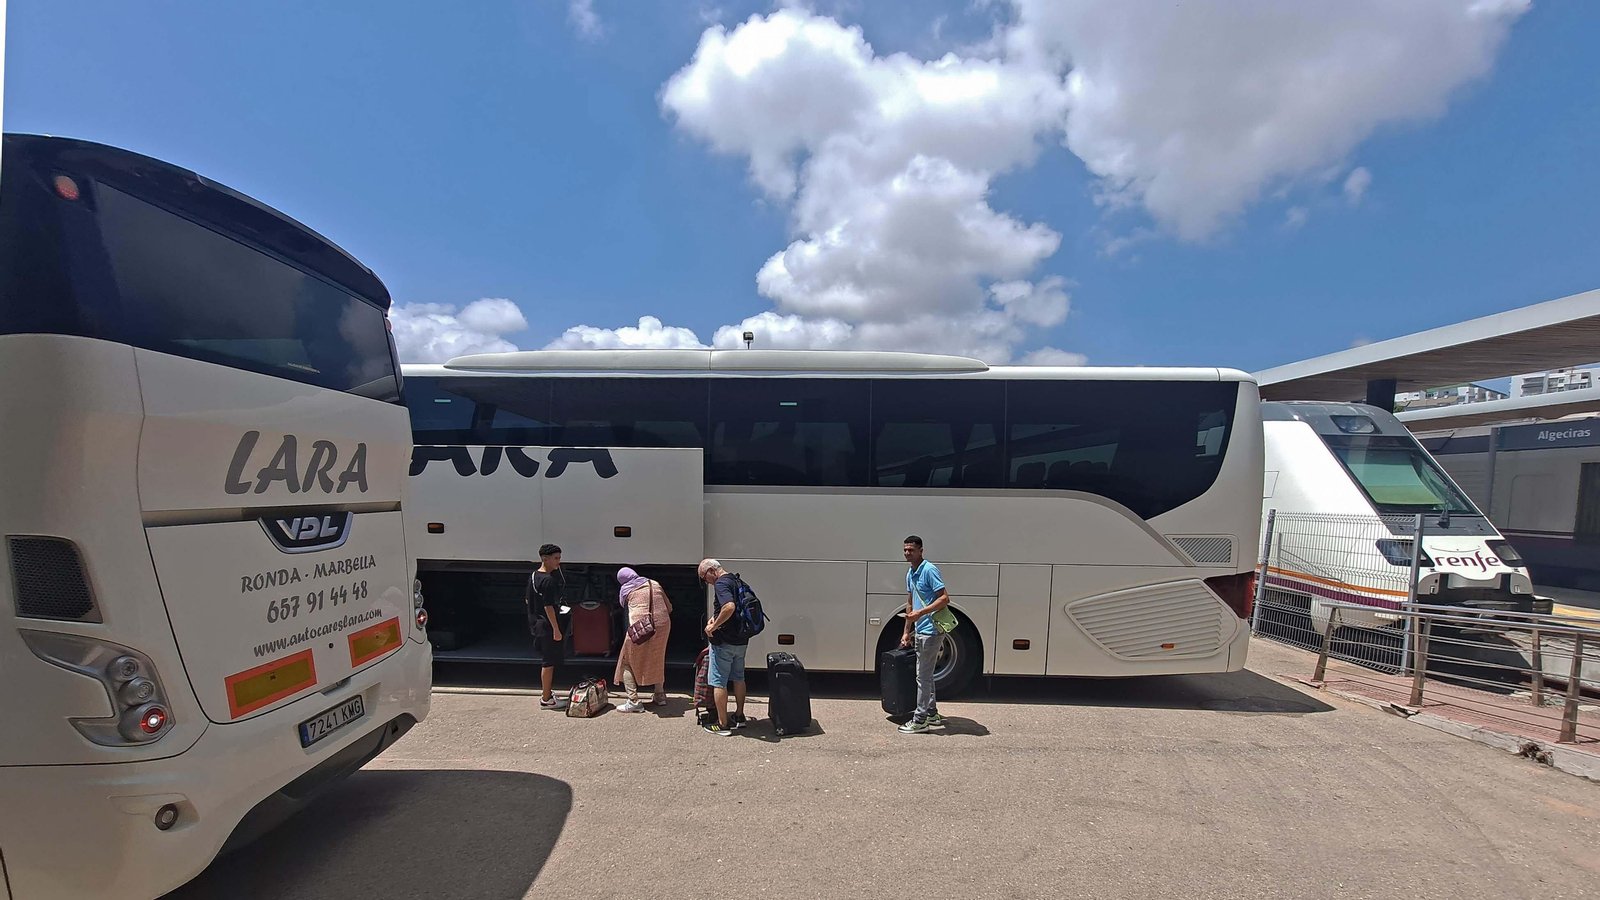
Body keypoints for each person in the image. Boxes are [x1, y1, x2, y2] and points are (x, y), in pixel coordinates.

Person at [899, 535, 951, 734]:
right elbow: (910, 604)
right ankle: (932, 713)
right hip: (920, 630)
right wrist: (906, 632)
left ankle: (920, 719)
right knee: (926, 676)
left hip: (931, 630)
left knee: (923, 677)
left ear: (921, 550)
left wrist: (922, 613)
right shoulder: (910, 572)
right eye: (905, 550)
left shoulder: (929, 570)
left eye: (911, 550)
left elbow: (944, 598)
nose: (907, 553)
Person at [697, 558, 751, 736]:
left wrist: (713, 626)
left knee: (718, 681)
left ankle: (722, 724)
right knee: (738, 677)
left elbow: (729, 606)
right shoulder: (736, 580)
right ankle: (739, 716)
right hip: (741, 639)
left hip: (724, 641)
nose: (706, 582)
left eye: (704, 577)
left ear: (712, 570)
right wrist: (716, 616)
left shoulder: (721, 583)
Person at [614, 567, 672, 713]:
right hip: (662, 624)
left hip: (641, 627)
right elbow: (669, 607)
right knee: (657, 658)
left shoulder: (626, 589)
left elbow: (623, 606)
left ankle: (633, 701)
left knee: (626, 661)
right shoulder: (654, 584)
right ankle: (660, 695)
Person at [527, 543, 567, 710]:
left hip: (536, 623)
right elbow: (548, 606)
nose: (559, 562)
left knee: (547, 660)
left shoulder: (534, 576)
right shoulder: (549, 581)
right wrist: (556, 629)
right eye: (556, 558)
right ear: (545, 559)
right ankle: (546, 698)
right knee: (548, 662)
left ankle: (548, 693)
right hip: (546, 625)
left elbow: (528, 600)